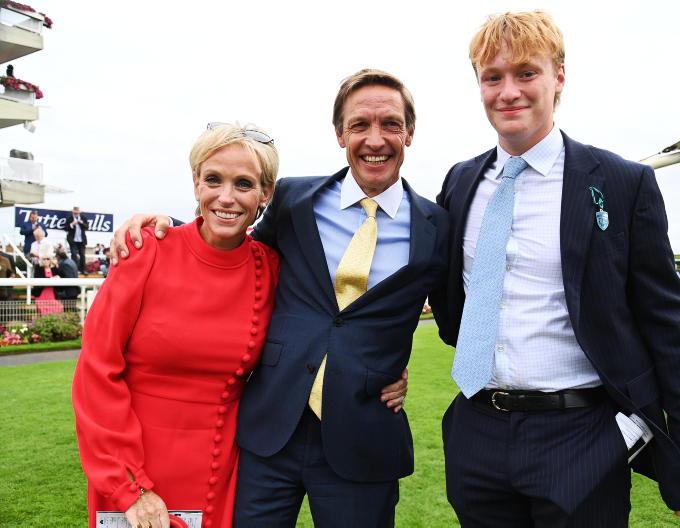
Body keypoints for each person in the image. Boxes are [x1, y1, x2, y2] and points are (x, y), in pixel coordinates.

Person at [111, 69, 448, 527]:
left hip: (364, 439)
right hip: (269, 433)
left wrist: (390, 365)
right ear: (340, 134)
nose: (375, 139)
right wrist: (165, 228)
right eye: (359, 125)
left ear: (409, 132)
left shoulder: (436, 226)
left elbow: (450, 317)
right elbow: (232, 245)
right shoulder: (294, 199)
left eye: (390, 124)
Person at [430, 11, 680, 527]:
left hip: (581, 435)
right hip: (477, 431)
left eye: (526, 73)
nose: (508, 92)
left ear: (559, 77)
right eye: (492, 77)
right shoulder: (460, 182)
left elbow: (668, 323)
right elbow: (443, 290)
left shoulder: (621, 182)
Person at [73, 122, 283, 528]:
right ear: (196, 183)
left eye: (243, 184)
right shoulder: (145, 250)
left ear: (265, 193)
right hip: (132, 470)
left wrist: (387, 368)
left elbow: (322, 327)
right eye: (213, 180)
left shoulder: (272, 268)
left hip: (220, 473)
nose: (226, 197)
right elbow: (97, 370)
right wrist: (129, 486)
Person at [66, 206, 89, 273]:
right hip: (72, 240)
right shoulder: (69, 218)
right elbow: (66, 228)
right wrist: (72, 224)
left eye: (77, 213)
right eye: (75, 213)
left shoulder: (83, 218)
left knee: (82, 255)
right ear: (73, 212)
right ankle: (74, 269)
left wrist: (81, 223)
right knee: (74, 255)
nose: (76, 214)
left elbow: (87, 227)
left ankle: (83, 270)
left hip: (81, 240)